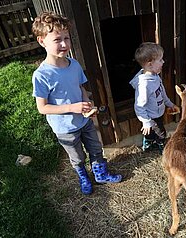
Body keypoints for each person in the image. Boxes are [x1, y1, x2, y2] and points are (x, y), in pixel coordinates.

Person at [31, 11, 122, 195]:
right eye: (57, 40)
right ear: (42, 41)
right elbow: (42, 108)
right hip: (65, 128)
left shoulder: (74, 65)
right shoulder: (41, 75)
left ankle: (100, 174)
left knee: (96, 149)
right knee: (77, 157)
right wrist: (73, 108)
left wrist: (87, 105)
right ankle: (83, 176)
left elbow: (80, 88)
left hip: (84, 121)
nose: (64, 44)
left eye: (67, 38)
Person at [129, 42, 180, 154]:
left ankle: (148, 144)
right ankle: (162, 147)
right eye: (160, 60)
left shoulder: (155, 76)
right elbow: (139, 106)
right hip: (151, 115)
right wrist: (146, 122)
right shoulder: (144, 85)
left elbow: (161, 93)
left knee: (152, 131)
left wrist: (170, 104)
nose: (163, 62)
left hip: (158, 112)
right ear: (150, 64)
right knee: (161, 133)